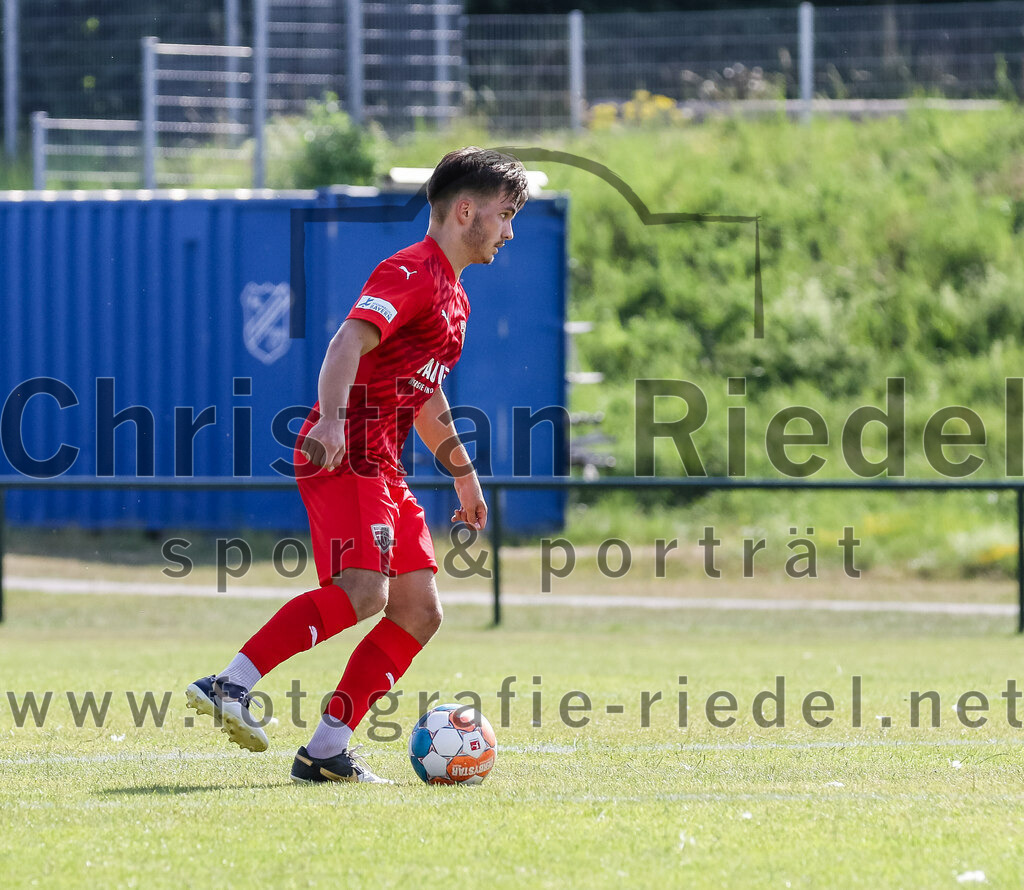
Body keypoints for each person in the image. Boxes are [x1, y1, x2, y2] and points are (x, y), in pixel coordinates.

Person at [186, 147, 529, 783]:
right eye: (505, 215)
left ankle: (324, 752)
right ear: (465, 210)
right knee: (365, 592)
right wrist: (335, 420)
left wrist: (462, 471)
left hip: (384, 467)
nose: (510, 231)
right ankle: (230, 683)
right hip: (347, 455)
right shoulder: (411, 271)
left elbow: (424, 392)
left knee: (419, 610)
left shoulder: (454, 298)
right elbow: (348, 340)